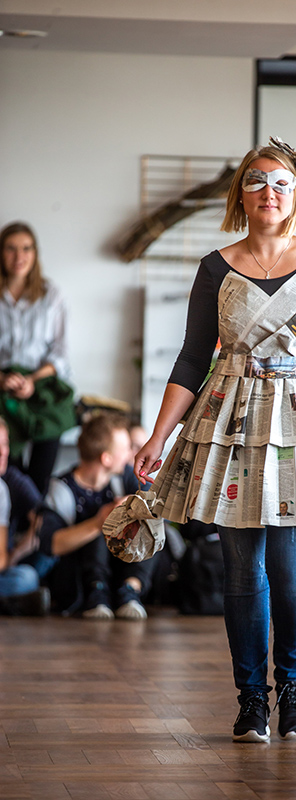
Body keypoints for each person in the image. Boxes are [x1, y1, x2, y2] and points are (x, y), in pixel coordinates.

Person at [135, 135, 296, 743]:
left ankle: (293, 687)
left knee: (294, 571)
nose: (268, 192)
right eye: (256, 182)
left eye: (280, 183)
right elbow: (193, 358)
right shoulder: (215, 266)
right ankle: (252, 698)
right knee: (242, 572)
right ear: (240, 195)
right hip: (230, 424)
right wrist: (157, 436)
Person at [36, 412, 157, 618]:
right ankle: (97, 592)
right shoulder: (61, 489)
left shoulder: (124, 476)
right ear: (106, 458)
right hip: (76, 578)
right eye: (126, 448)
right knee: (103, 525)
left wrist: (133, 504)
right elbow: (51, 544)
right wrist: (97, 522)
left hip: (119, 569)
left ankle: (130, 590)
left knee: (149, 523)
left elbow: (159, 503)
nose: (130, 454)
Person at [0, 222, 76, 495]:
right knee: (9, 468)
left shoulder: (52, 295)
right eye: (10, 249)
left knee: (41, 470)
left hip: (42, 384)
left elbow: (61, 353)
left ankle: (35, 523)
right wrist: (5, 379)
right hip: (3, 385)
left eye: (26, 248)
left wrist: (31, 381)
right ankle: (13, 520)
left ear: (35, 253)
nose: (18, 256)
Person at [0, 416, 50, 615]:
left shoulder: (3, 488)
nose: (3, 452)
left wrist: (15, 555)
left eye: (5, 444)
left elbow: (1, 556)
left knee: (26, 577)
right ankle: (12, 603)